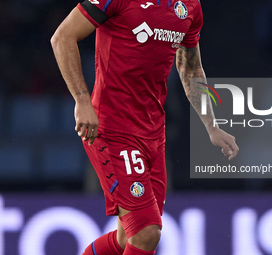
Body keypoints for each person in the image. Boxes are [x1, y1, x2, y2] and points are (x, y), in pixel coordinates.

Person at [51, 0, 239, 254]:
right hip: (112, 128)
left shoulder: (190, 7)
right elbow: (62, 37)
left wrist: (212, 126)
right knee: (147, 232)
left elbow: (191, 68)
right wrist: (82, 100)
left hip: (153, 134)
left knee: (126, 238)